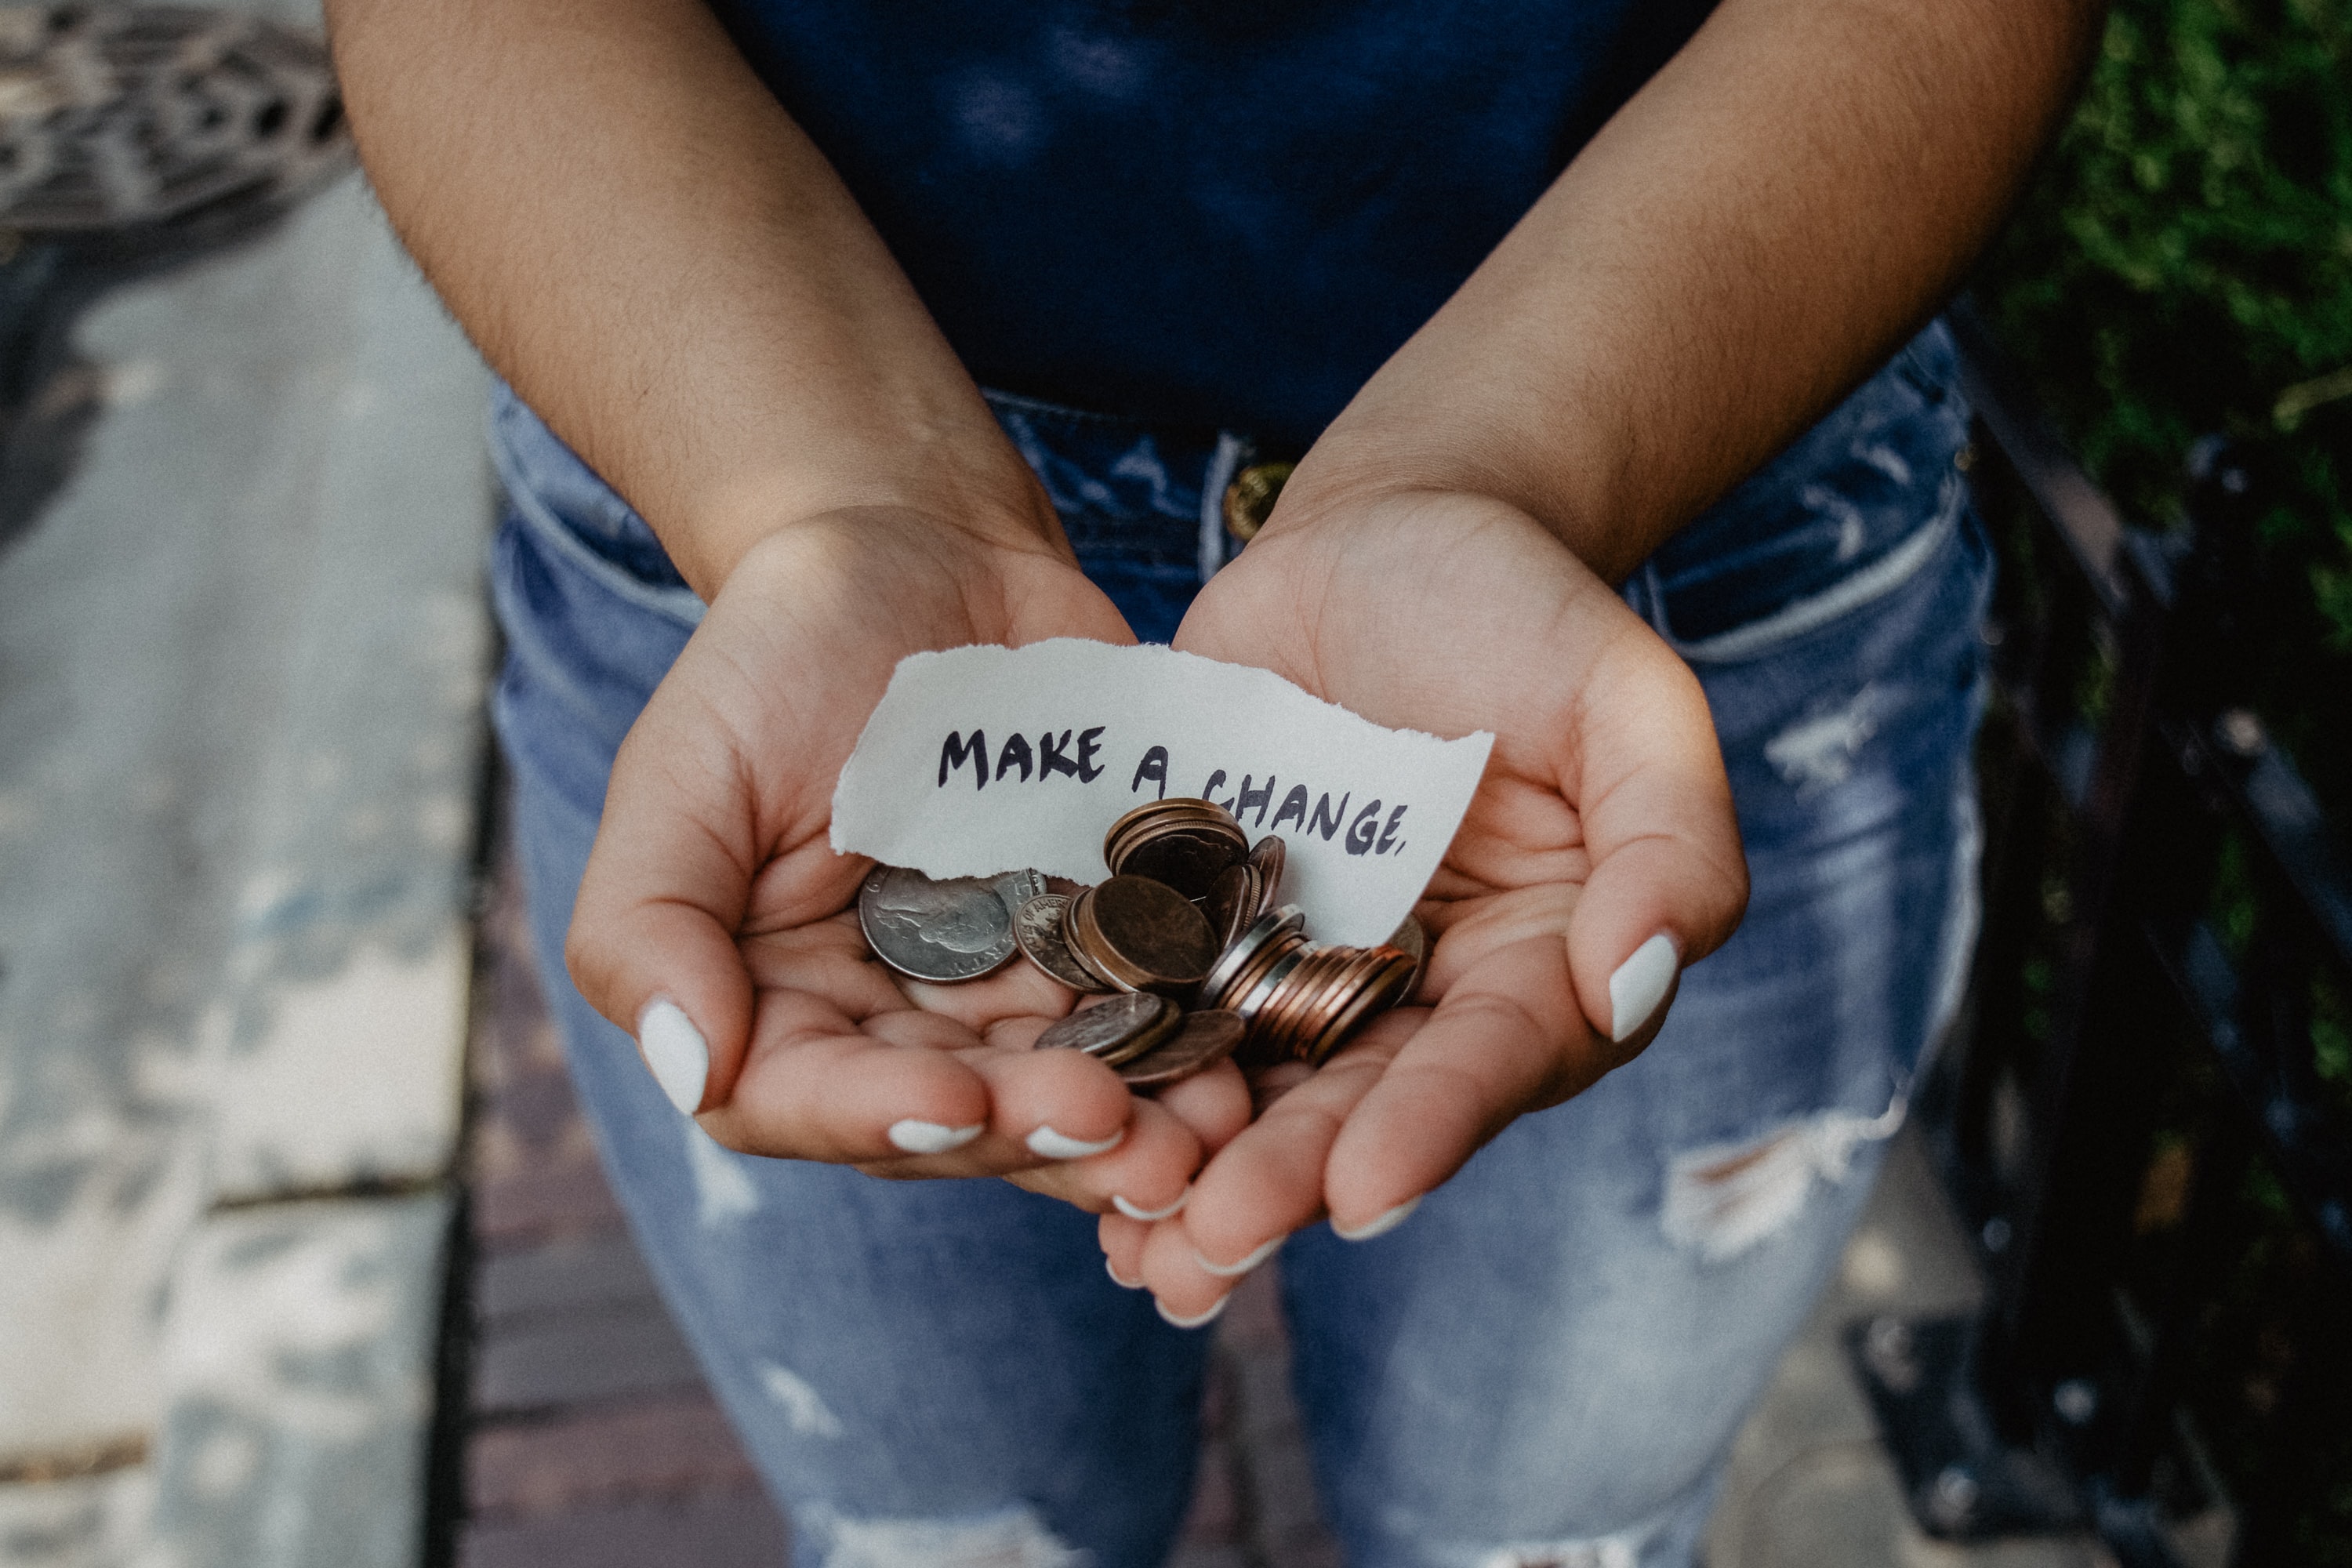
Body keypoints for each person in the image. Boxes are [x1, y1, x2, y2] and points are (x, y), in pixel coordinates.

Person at [330, 0, 2101, 1562]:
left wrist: (1494, 473)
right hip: (744, 501)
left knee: (1548, 1549)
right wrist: (824, 512)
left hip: (1681, 483)